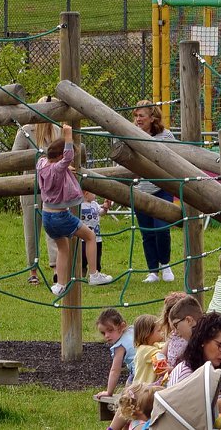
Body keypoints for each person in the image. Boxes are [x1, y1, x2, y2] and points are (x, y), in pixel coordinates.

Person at [37, 125, 113, 295]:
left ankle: (60, 285)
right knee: (90, 236)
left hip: (47, 216)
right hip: (61, 216)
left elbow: (51, 160)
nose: (69, 162)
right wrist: (68, 135)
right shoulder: (58, 168)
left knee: (63, 248)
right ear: (60, 158)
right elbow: (67, 156)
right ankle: (94, 274)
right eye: (67, 162)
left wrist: (64, 167)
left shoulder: (41, 164)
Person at [131, 105, 177, 282]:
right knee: (147, 232)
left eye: (141, 116)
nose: (138, 119)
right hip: (141, 190)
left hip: (162, 188)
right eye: (136, 116)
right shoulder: (131, 133)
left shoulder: (165, 135)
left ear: (152, 118)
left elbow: (175, 158)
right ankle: (153, 271)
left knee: (161, 228)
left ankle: (165, 265)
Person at [179, 311, 221, 400]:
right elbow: (183, 411)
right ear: (203, 340)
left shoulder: (214, 371)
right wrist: (215, 408)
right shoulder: (186, 374)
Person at [162, 293, 205, 384]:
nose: (175, 332)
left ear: (189, 320)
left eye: (176, 325)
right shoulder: (195, 340)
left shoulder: (201, 343)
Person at [97, 308, 135, 400]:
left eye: (110, 330)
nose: (106, 335)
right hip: (151, 369)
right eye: (103, 333)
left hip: (138, 374)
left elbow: (115, 371)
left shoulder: (120, 346)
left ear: (122, 326)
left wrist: (109, 392)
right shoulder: (133, 330)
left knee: (127, 398)